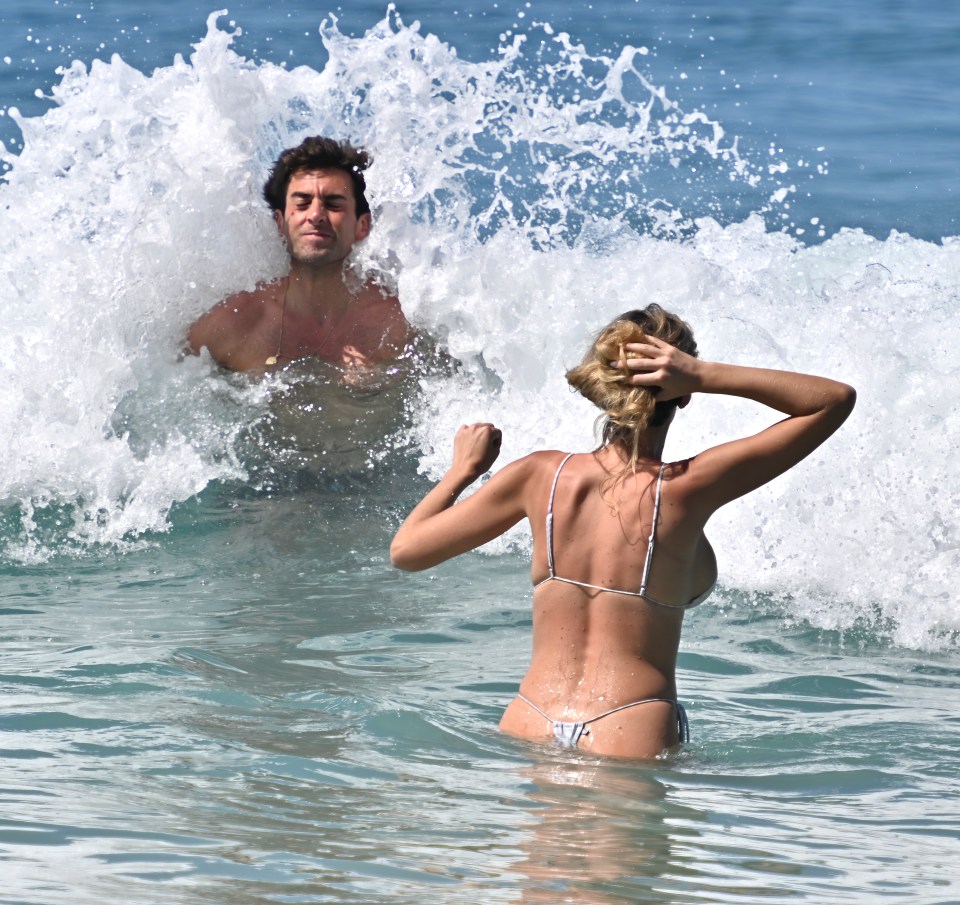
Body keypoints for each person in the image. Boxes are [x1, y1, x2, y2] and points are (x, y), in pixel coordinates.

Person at [390, 304, 856, 759]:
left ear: (602, 384)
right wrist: (704, 374)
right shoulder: (689, 487)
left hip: (530, 715)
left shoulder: (539, 477)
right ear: (682, 391)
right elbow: (833, 400)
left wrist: (462, 470)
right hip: (629, 724)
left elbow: (407, 551)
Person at [187, 136, 411, 373]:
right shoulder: (233, 325)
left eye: (333, 204)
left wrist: (374, 392)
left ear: (362, 226)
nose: (315, 215)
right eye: (302, 204)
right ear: (280, 223)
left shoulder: (398, 326)